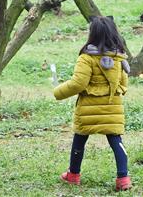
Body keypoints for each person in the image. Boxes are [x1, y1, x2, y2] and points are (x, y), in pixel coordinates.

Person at [54, 16, 132, 192]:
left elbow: (78, 83)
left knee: (79, 140)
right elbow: (124, 83)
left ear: (93, 34)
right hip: (113, 107)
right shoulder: (119, 58)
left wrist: (58, 92)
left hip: (88, 107)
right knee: (116, 140)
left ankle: (73, 175)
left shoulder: (87, 58)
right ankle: (123, 178)